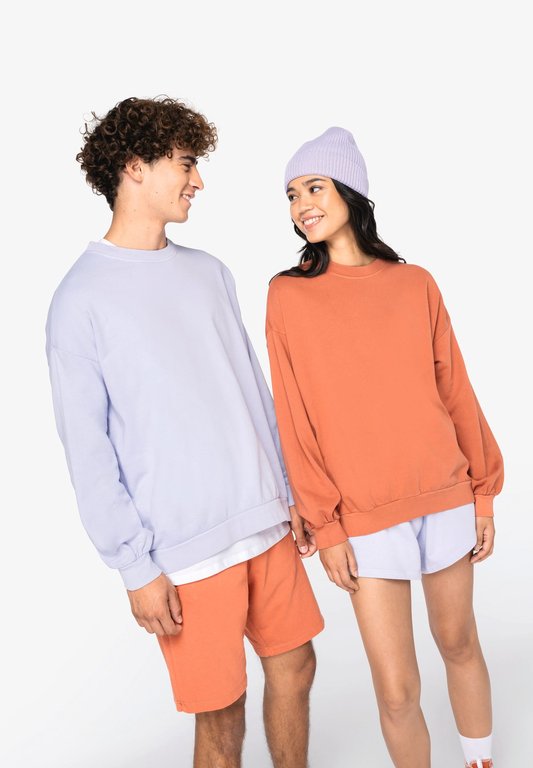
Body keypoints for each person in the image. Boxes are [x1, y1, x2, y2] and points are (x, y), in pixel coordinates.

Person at [45, 96, 323, 768]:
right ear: (135, 166)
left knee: (297, 667)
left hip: (264, 521)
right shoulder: (79, 301)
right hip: (185, 551)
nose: (198, 180)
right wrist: (134, 567)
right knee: (220, 713)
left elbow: (253, 392)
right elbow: (88, 453)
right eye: (186, 163)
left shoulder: (209, 273)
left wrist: (289, 492)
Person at [265, 127, 503, 768]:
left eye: (314, 187)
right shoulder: (287, 295)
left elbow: (455, 390)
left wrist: (483, 492)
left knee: (459, 643)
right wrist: (325, 524)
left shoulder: (415, 282)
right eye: (291, 195)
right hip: (363, 515)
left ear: (350, 191)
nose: (301, 205)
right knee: (397, 688)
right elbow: (293, 417)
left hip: (445, 493)